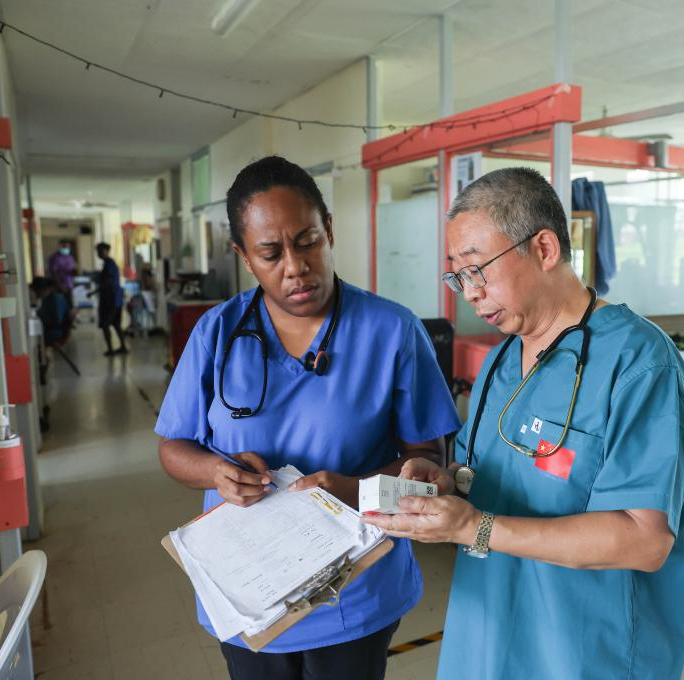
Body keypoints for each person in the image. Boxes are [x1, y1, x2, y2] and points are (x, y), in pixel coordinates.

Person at [365, 167, 684, 680]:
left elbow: (643, 539)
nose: (468, 294)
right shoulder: (502, 363)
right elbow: (491, 479)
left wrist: (475, 528)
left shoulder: (639, 363)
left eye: (478, 270)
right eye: (458, 276)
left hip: (584, 650)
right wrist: (447, 485)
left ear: (543, 249)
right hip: (488, 634)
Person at [155, 155, 460, 680]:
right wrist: (215, 473)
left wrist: (355, 488)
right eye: (270, 253)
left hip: (355, 588)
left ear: (329, 231)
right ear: (244, 257)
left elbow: (427, 459)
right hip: (249, 587)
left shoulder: (392, 331)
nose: (294, 266)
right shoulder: (217, 333)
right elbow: (174, 448)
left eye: (308, 241)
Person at [95, 242, 127, 356]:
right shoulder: (108, 264)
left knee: (105, 324)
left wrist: (94, 291)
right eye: (97, 251)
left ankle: (110, 349)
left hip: (111, 300)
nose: (99, 253)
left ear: (107, 251)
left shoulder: (109, 264)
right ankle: (123, 347)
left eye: (101, 251)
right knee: (116, 324)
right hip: (115, 299)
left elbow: (108, 282)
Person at [31, 276, 72, 344]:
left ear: (44, 289)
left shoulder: (55, 299)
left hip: (55, 332)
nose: (37, 295)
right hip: (54, 329)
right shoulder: (49, 298)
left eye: (37, 292)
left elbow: (57, 320)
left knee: (32, 333)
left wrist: (39, 315)